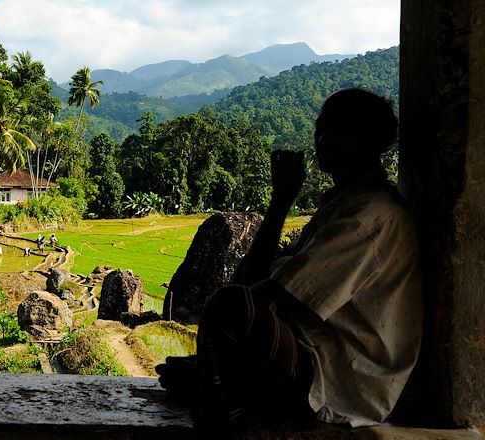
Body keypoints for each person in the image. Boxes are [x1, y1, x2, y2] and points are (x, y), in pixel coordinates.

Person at [158, 88, 422, 427]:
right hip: (314, 353)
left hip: (339, 378)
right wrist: (280, 200)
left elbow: (267, 297)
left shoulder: (368, 217)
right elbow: (257, 282)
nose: (325, 139)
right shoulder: (344, 204)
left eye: (342, 131)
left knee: (232, 307)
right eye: (322, 128)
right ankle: (220, 391)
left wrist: (206, 362)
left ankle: (220, 407)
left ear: (371, 142)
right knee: (234, 306)